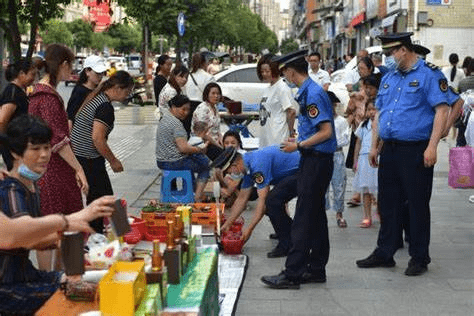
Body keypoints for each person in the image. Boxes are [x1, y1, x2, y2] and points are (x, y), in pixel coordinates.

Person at [0, 114, 115, 315]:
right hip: (9, 288)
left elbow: (31, 240)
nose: (44, 154)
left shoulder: (31, 185)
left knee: (86, 284)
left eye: (46, 147)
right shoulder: (11, 189)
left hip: (27, 275)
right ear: (15, 153)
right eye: (35, 149)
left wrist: (66, 239)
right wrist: (71, 220)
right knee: (80, 294)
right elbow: (17, 234)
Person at [356, 32, 449, 276]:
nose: (387, 58)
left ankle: (419, 257)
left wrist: (432, 146)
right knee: (388, 202)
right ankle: (385, 251)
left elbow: (441, 111)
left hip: (415, 149)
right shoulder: (390, 78)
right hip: (391, 149)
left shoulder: (429, 75)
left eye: (390, 53)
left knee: (417, 204)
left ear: (404, 50)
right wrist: (375, 145)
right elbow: (380, 112)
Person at [261, 50, 336, 289]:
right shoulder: (307, 92)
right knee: (315, 216)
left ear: (292, 71)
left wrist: (299, 145)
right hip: (312, 160)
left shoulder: (312, 93)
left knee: (303, 217)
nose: (285, 78)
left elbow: (326, 131)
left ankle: (292, 273)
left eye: (285, 73)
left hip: (316, 161)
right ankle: (316, 269)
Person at [28, 43, 89, 271]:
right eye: (70, 65)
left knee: (56, 225)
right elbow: (58, 140)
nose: (71, 71)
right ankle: (57, 280)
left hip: (47, 169)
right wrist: (79, 169)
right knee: (60, 226)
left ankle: (58, 279)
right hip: (54, 171)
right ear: (63, 64)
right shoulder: (47, 96)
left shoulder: (40, 92)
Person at [70, 71, 133, 233]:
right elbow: (97, 138)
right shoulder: (105, 107)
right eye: (127, 91)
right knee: (105, 200)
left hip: (80, 156)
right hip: (88, 158)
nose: (128, 95)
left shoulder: (96, 97)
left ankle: (106, 235)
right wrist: (113, 161)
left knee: (98, 199)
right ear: (118, 88)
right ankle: (121, 234)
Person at [215, 146, 300, 258]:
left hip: (303, 170)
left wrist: (249, 230)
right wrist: (227, 224)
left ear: (235, 165)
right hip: (293, 173)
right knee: (273, 201)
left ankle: (287, 243)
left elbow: (262, 201)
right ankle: (286, 231)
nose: (231, 175)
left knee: (271, 202)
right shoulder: (247, 167)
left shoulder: (257, 165)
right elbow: (242, 198)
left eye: (230, 172)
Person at [156, 95, 210, 202]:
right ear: (174, 107)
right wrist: (200, 150)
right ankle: (198, 196)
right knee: (205, 167)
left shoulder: (164, 119)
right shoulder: (176, 124)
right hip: (174, 162)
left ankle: (192, 191)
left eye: (188, 110)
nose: (186, 112)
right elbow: (183, 148)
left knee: (191, 162)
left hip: (161, 161)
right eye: (183, 109)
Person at [0, 59, 37, 170]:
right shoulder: (13, 92)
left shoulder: (18, 91)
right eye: (32, 74)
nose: (33, 78)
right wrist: (5, 141)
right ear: (21, 73)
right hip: (11, 145)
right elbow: (2, 119)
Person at [257, 54, 297, 148]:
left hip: (277, 138)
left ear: (275, 70)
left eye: (267, 71)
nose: (264, 74)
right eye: (262, 71)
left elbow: (291, 112)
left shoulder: (281, 87)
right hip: (266, 136)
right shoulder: (268, 88)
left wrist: (291, 132)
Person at [325, 91, 350, 228]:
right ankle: (321, 212)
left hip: (337, 155)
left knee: (339, 185)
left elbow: (344, 139)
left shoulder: (341, 122)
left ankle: (339, 213)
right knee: (322, 186)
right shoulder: (322, 121)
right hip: (324, 155)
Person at [352, 102, 378, 228]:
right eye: (369, 109)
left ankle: (380, 212)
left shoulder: (382, 124)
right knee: (366, 189)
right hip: (363, 158)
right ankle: (367, 216)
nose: (372, 112)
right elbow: (358, 143)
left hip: (378, 158)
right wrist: (355, 160)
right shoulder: (363, 125)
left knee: (380, 189)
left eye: (374, 109)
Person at [66, 55, 107, 131]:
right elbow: (70, 117)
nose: (100, 76)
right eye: (97, 73)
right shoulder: (79, 91)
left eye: (102, 73)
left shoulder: (100, 90)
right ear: (87, 71)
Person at [191, 82, 224, 160]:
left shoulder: (215, 107)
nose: (216, 96)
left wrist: (222, 140)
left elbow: (217, 129)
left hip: (214, 141)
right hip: (204, 143)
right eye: (213, 93)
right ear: (207, 94)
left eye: (218, 94)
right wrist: (218, 145)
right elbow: (202, 133)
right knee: (223, 155)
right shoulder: (203, 108)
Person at [184, 52, 215, 134]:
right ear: (204, 63)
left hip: (187, 109)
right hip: (203, 109)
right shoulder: (209, 78)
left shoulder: (186, 77)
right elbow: (212, 95)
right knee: (203, 134)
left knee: (189, 134)